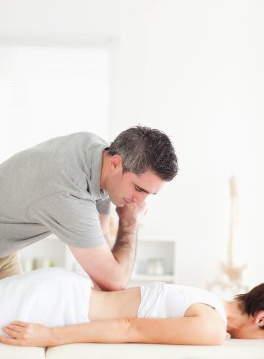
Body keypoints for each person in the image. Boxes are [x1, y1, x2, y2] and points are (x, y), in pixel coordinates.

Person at [0, 126, 178, 289]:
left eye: (149, 194)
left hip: (5, 252)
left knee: (14, 321)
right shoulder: (69, 191)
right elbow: (114, 282)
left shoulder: (97, 152)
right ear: (116, 163)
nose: (140, 202)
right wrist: (130, 222)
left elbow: (102, 232)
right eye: (138, 188)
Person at [0, 268, 263, 347]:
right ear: (261, 319)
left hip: (62, 289)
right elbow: (131, 327)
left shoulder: (208, 299)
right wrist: (49, 336)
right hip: (56, 306)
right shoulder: (211, 326)